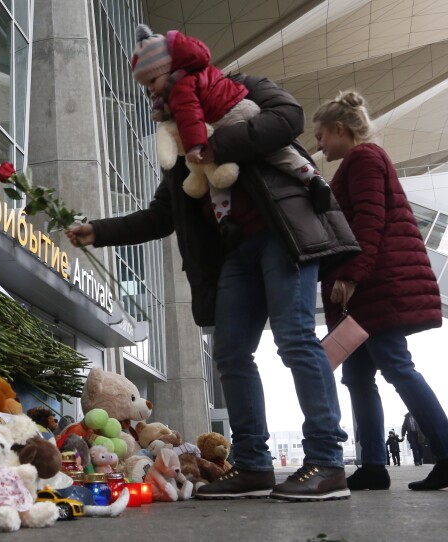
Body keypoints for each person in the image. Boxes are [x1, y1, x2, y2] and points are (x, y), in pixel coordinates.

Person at [67, 39, 360, 501]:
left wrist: (211, 141)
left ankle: (326, 462)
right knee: (230, 353)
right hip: (236, 252)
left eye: (152, 82)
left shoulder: (240, 86)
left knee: (296, 339)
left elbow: (289, 118)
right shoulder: (174, 133)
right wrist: (97, 231)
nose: (149, 94)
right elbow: (163, 213)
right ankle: (253, 465)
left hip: (283, 234)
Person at [313, 90, 448, 491]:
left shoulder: (365, 158)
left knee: (395, 365)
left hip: (375, 285)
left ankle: (445, 451)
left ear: (340, 129)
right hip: (368, 288)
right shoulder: (361, 160)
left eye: (321, 135)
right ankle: (372, 465)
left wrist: (352, 274)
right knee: (357, 376)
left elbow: (370, 220)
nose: (318, 144)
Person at [130, 25, 333, 223]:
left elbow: (189, 115)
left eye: (152, 81)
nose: (151, 90)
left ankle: (223, 216)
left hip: (225, 119)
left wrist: (196, 147)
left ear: (168, 67)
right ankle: (311, 176)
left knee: (213, 174)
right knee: (280, 153)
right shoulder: (203, 72)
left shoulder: (179, 88)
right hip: (245, 105)